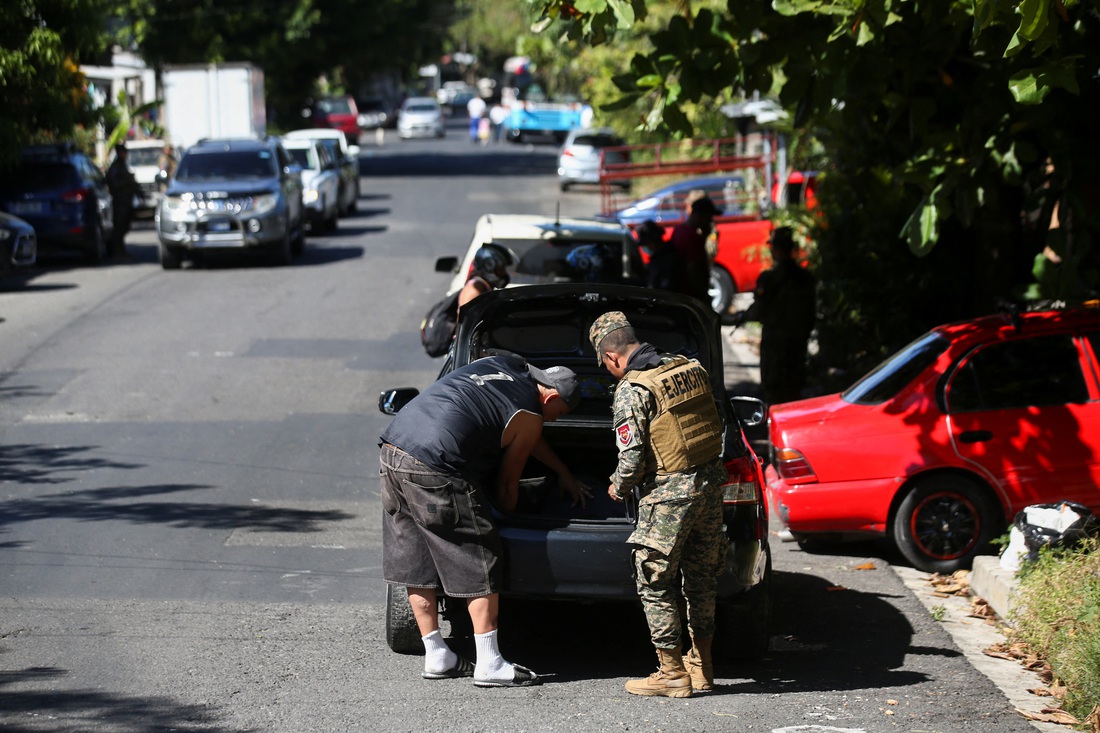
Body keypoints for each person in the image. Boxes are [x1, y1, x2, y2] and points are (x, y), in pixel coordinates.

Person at [379, 355, 590, 687]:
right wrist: (514, 513)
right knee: (478, 555)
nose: (555, 420)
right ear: (551, 397)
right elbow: (508, 483)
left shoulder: (503, 366)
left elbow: (528, 435)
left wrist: (561, 472)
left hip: (395, 449)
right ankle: (490, 664)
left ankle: (437, 655)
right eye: (559, 414)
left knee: (416, 556)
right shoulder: (531, 414)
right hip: (437, 465)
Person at [588, 311, 729, 698]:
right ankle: (702, 667)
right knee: (701, 580)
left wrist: (618, 486)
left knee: (655, 581)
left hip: (670, 495)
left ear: (611, 357)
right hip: (709, 488)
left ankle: (671, 673)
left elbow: (631, 459)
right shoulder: (689, 367)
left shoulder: (634, 389)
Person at [730, 226, 816, 404]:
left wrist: (744, 317)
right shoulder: (805, 277)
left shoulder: (770, 278)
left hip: (776, 341)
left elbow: (760, 308)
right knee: (793, 387)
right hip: (797, 340)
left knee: (774, 389)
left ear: (775, 249)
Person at [669, 196, 719, 303]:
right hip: (691, 295)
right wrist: (703, 295)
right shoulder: (692, 237)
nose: (711, 221)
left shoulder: (679, 230)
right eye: (709, 217)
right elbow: (694, 268)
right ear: (700, 215)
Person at [105, 143, 138, 259]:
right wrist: (128, 181)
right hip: (120, 202)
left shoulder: (122, 165)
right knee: (119, 228)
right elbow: (113, 184)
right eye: (123, 152)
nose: (125, 154)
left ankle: (121, 251)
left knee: (124, 226)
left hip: (126, 201)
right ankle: (117, 252)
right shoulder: (115, 167)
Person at [637, 220, 686, 293]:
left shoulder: (667, 259)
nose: (646, 247)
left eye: (646, 244)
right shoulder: (660, 257)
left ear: (653, 241)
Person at [458, 244, 511, 310]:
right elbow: (465, 318)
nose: (504, 273)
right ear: (489, 266)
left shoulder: (484, 288)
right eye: (501, 268)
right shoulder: (474, 289)